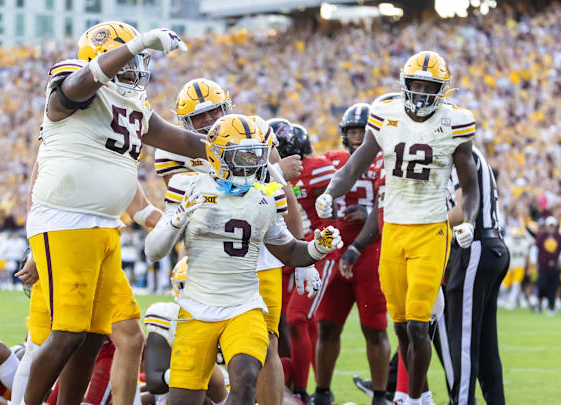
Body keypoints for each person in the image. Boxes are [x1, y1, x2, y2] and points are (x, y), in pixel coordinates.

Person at [23, 21, 202, 405]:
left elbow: (182, 139)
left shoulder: (134, 103)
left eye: (139, 58)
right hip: (65, 220)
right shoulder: (72, 77)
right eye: (130, 58)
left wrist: (236, 149)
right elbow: (72, 92)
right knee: (68, 333)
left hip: (105, 227)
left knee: (97, 336)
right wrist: (137, 42)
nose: (135, 66)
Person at [316, 51, 480, 405]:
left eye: (429, 87)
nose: (421, 93)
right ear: (404, 86)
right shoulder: (385, 116)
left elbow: (470, 185)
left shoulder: (456, 122)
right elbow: (354, 165)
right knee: (402, 326)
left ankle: (414, 398)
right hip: (393, 230)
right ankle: (412, 394)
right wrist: (330, 191)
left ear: (442, 91)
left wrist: (469, 220)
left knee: (420, 325)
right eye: (416, 85)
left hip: (430, 230)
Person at [145, 114, 342, 405]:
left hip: (244, 306)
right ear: (217, 155)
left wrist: (315, 250)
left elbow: (287, 249)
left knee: (248, 373)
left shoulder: (265, 196)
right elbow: (153, 251)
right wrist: (178, 217)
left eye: (256, 156)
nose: (252, 164)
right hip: (196, 308)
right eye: (242, 157)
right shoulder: (189, 187)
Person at [156, 78, 305, 405]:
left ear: (228, 107)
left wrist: (302, 246)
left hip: (261, 253)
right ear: (185, 123)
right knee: (202, 348)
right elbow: (179, 211)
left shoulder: (252, 131)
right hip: (208, 263)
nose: (209, 120)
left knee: (265, 345)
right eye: (200, 116)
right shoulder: (174, 147)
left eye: (215, 111)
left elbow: (281, 195)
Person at [309, 102, 391, 405]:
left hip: (371, 252)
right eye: (353, 131)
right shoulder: (331, 162)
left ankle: (380, 394)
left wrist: (369, 214)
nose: (357, 137)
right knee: (327, 326)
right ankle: (322, 391)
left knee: (375, 327)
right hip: (335, 251)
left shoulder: (386, 161)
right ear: (345, 134)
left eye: (362, 131)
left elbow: (389, 207)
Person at [439, 145, 509, 405]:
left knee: (463, 341)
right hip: (490, 247)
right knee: (486, 345)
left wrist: (424, 226)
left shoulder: (458, 154)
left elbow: (460, 212)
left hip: (475, 246)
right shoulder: (474, 154)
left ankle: (462, 402)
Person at [275, 120, 336, 402]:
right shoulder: (270, 174)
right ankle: (298, 385)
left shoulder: (316, 168)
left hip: (316, 251)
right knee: (294, 321)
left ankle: (300, 389)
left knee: (298, 318)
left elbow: (330, 213)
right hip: (287, 253)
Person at [143, 258, 229, 405]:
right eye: (188, 286)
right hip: (181, 390)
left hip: (228, 393)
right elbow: (153, 382)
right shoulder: (169, 315)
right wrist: (181, 373)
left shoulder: (237, 314)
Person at [534, 216, 561, 315]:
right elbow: (535, 250)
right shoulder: (541, 236)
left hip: (555, 265)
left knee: (553, 287)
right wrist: (534, 263)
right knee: (542, 286)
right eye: (550, 225)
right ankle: (539, 304)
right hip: (543, 266)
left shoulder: (560, 237)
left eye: (553, 226)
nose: (552, 227)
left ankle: (551, 307)